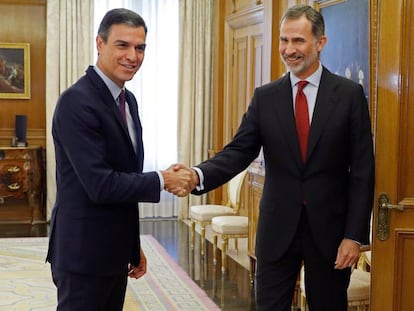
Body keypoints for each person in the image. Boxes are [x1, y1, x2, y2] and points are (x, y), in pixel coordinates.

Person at [174, 4, 375, 311]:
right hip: (277, 230)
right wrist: (197, 175)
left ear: (320, 43)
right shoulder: (265, 97)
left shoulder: (349, 95)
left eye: (298, 41)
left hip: (331, 234)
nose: (289, 49)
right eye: (284, 40)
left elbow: (362, 171)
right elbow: (238, 152)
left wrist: (354, 236)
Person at [46, 8, 193, 310]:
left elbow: (125, 178)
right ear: (100, 44)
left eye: (140, 48)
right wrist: (163, 179)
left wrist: (131, 246)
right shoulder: (77, 101)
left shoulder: (128, 101)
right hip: (83, 255)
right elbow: (101, 184)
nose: (133, 56)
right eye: (122, 45)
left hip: (113, 252)